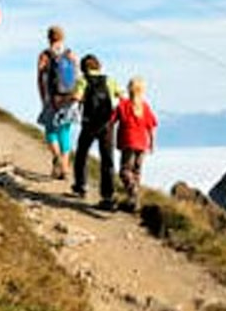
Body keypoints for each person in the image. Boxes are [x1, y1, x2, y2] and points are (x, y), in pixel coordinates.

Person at [70, 54, 122, 210]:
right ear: (99, 66)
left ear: (83, 68)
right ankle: (108, 196)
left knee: (81, 153)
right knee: (107, 159)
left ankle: (81, 185)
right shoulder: (109, 80)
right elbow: (121, 95)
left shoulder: (82, 80)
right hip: (107, 124)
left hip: (89, 124)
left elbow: (77, 97)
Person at [37, 25, 80, 180]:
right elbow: (77, 77)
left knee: (50, 131)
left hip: (52, 98)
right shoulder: (71, 54)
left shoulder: (45, 55)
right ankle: (66, 168)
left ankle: (57, 158)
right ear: (63, 37)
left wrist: (43, 97)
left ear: (49, 38)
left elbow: (40, 79)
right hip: (69, 99)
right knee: (65, 131)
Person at [112, 75, 157, 212]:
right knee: (136, 172)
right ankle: (133, 201)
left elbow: (111, 120)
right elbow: (151, 127)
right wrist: (152, 144)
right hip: (142, 144)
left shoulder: (123, 105)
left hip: (128, 143)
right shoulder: (145, 107)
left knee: (125, 171)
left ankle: (133, 192)